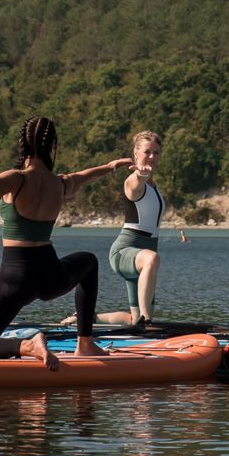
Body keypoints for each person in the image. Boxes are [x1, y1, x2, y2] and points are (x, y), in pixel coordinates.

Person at [0, 117, 130, 366]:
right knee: (89, 262)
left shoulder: (18, 179)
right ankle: (85, 343)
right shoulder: (60, 183)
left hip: (17, 278)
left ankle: (28, 345)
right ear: (52, 147)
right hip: (51, 275)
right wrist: (111, 166)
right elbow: (84, 176)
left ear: (23, 146)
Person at [90, 129, 193, 328]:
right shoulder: (133, 181)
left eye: (156, 152)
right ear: (136, 153)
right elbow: (134, 186)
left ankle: (85, 318)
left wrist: (146, 177)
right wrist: (140, 175)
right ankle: (146, 324)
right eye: (147, 152)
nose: (152, 157)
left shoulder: (154, 186)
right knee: (152, 259)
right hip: (125, 252)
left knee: (133, 319)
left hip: (144, 258)